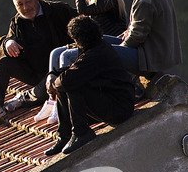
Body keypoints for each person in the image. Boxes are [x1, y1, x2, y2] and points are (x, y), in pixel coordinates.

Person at [0, 0, 76, 127]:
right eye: (20, 5)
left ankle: (23, 98)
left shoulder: (58, 10)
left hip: (59, 71)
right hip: (34, 72)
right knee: (4, 63)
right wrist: (9, 43)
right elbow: (8, 40)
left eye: (28, 2)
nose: (25, 7)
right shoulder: (17, 22)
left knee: (48, 89)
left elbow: (83, 23)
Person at [44, 15, 135, 156]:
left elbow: (69, 79)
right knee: (65, 83)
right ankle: (64, 135)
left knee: (70, 84)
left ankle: (81, 133)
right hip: (110, 100)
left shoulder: (96, 53)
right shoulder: (94, 46)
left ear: (78, 39)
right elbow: (74, 69)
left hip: (119, 108)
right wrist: (53, 74)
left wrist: (53, 82)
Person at [48, 0, 127, 77]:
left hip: (112, 44)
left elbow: (82, 10)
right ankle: (55, 88)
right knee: (55, 53)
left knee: (66, 56)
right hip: (99, 42)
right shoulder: (100, 0)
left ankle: (67, 90)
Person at [113, 0, 182, 78]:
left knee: (104, 53)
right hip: (161, 55)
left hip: (151, 60)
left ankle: (124, 90)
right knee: (102, 41)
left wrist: (120, 48)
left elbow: (136, 36)